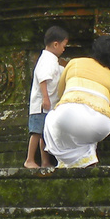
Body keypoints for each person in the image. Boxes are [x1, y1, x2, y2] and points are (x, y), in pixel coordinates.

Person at [43, 36, 110, 169]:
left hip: (69, 114)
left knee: (52, 119)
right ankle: (88, 161)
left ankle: (66, 162)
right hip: (103, 125)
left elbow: (60, 93)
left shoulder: (76, 62)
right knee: (85, 136)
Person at [26, 25, 69, 169]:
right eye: (63, 46)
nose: (64, 49)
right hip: (41, 105)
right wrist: (45, 98)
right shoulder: (47, 60)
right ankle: (29, 159)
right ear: (56, 44)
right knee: (36, 133)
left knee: (45, 133)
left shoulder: (51, 60)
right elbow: (43, 78)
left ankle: (45, 161)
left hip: (47, 105)